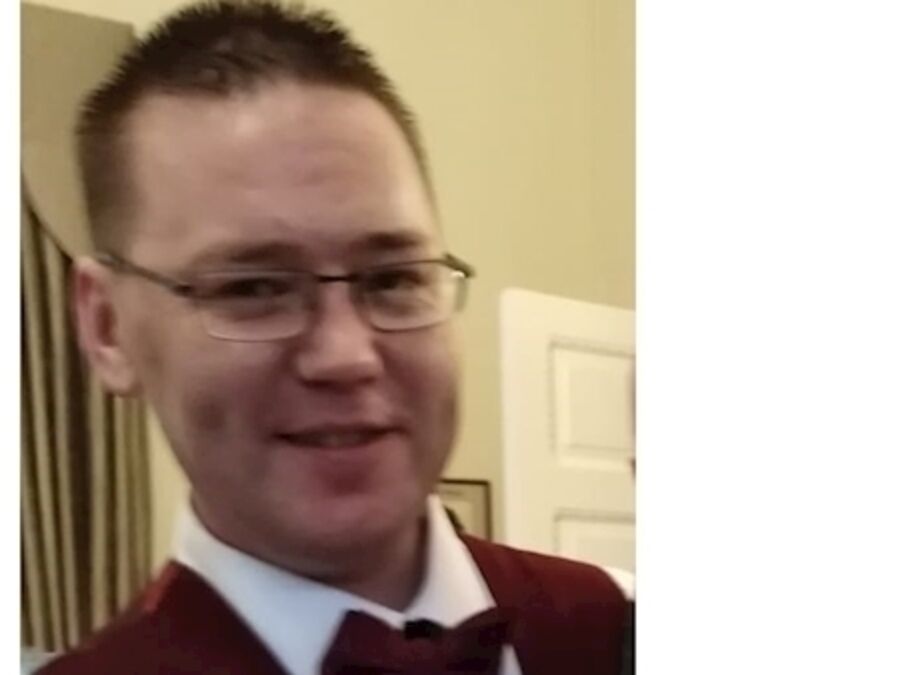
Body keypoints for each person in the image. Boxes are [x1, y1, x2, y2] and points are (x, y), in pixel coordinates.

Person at [47, 1, 632, 673]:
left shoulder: (620, 629)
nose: (346, 356)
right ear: (108, 328)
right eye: (252, 288)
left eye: (392, 278)